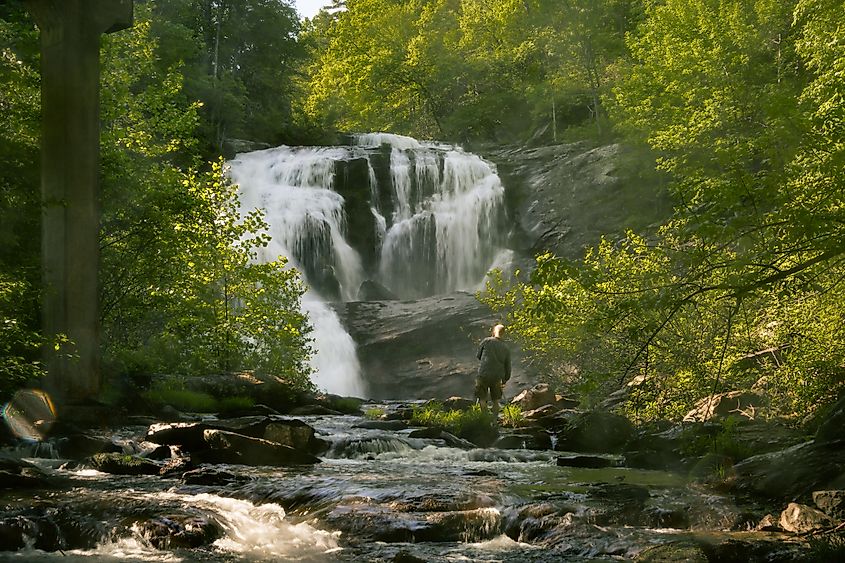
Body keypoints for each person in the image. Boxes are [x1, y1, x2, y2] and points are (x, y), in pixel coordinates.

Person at [475, 323, 511, 418]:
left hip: (483, 374)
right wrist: (505, 379)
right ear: (503, 333)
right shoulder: (506, 348)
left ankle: (485, 419)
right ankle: (495, 421)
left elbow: (478, 356)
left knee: (482, 398)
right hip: (497, 376)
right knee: (496, 400)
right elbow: (508, 366)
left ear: (494, 331)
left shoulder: (486, 341)